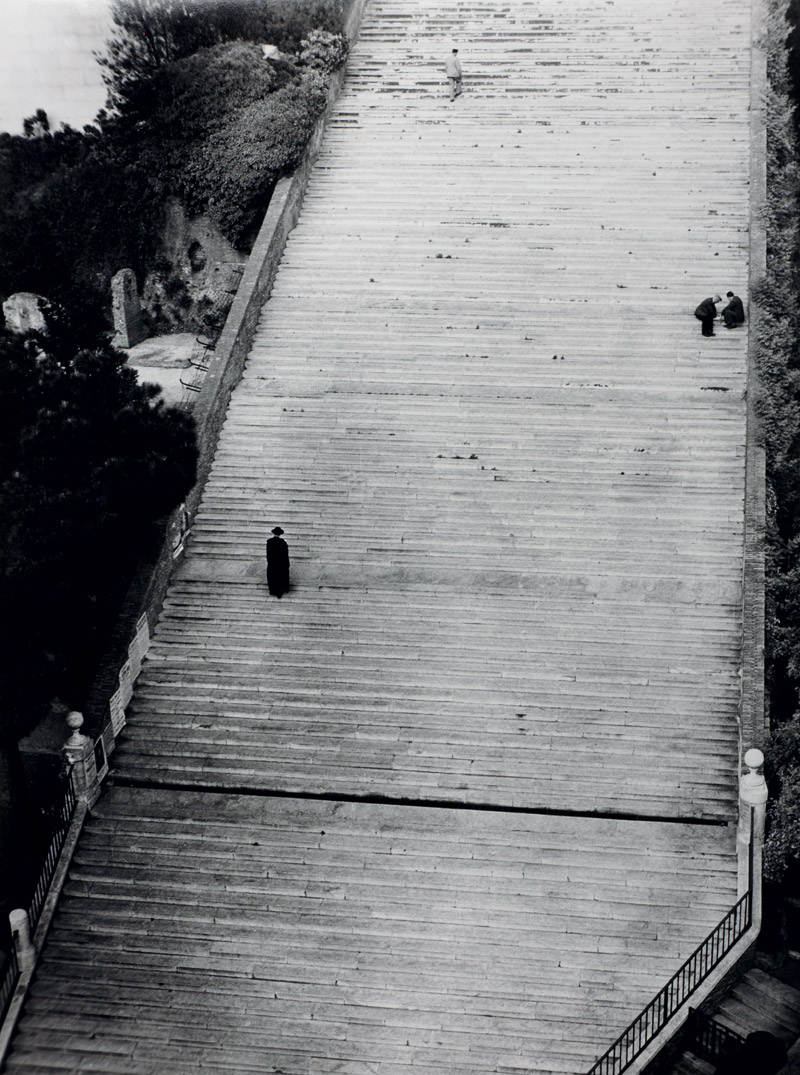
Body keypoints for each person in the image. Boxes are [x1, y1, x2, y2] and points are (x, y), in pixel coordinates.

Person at [266, 526, 290, 598]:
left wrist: (270, 561)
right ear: (280, 534)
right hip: (280, 562)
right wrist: (286, 563)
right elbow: (285, 554)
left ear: (274, 533)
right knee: (280, 576)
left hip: (272, 562)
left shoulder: (269, 542)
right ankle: (280, 591)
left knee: (272, 576)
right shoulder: (282, 542)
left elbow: (268, 554)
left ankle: (273, 590)